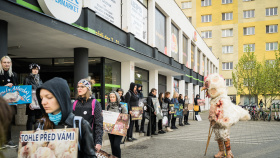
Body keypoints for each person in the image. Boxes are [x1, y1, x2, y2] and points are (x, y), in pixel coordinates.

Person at [36, 77, 96, 157]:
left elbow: (90, 155)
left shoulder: (81, 124)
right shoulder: (41, 124)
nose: (43, 102)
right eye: (41, 98)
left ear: (61, 97)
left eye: (49, 97)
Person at [202, 73, 250, 158]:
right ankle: (221, 151)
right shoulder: (214, 100)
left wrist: (223, 119)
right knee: (217, 135)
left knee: (224, 135)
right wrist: (211, 118)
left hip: (223, 122)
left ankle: (229, 152)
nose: (208, 92)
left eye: (209, 89)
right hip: (215, 122)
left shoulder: (223, 99)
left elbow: (226, 111)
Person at [72, 78, 103, 152]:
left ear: (88, 88)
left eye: (82, 87)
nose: (79, 88)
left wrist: (98, 142)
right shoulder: (75, 103)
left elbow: (99, 124)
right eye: (78, 87)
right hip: (76, 140)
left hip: (90, 140)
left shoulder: (95, 103)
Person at [0, 56, 18, 148]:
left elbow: (17, 88)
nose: (6, 64)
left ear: (10, 64)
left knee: (9, 122)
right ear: (1, 63)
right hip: (1, 104)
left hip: (11, 103)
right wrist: (5, 86)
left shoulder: (14, 75)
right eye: (4, 62)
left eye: (8, 62)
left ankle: (8, 140)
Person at [106, 92, 128, 158]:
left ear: (117, 97)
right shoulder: (108, 106)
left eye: (113, 97)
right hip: (110, 128)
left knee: (116, 145)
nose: (112, 98)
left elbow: (126, 117)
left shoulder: (121, 107)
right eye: (111, 97)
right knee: (112, 145)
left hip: (119, 129)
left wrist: (127, 124)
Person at [25, 63, 43, 130]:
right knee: (31, 119)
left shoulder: (40, 80)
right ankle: (28, 134)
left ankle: (37, 133)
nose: (35, 71)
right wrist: (29, 103)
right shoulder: (27, 79)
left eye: (37, 69)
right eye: (34, 69)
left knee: (38, 118)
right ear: (31, 70)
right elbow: (25, 91)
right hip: (31, 102)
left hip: (38, 101)